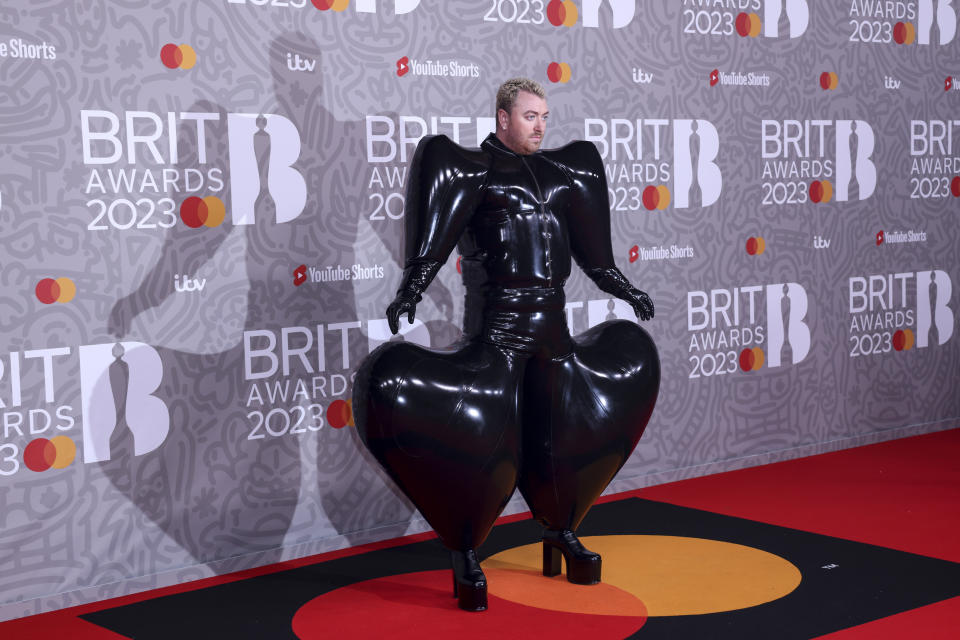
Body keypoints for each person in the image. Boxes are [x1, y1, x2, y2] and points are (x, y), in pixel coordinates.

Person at [354, 78, 660, 611]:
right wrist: (411, 289)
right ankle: (466, 545)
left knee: (561, 432)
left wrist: (626, 289)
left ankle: (561, 529)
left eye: (545, 117)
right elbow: (432, 244)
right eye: (529, 117)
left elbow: (597, 258)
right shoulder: (474, 171)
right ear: (502, 118)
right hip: (497, 334)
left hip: (554, 333)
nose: (540, 126)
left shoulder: (564, 172)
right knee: (482, 438)